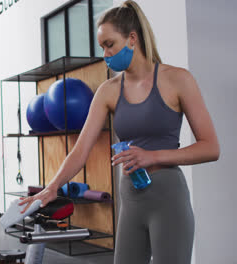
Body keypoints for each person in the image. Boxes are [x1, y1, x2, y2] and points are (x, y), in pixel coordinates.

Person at [19, 1, 219, 263]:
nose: (105, 54)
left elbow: (210, 147)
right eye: (102, 47)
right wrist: (52, 187)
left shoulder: (178, 79)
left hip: (168, 198)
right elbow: (81, 149)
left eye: (110, 44)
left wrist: (153, 156)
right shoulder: (108, 91)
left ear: (132, 38)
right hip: (131, 199)